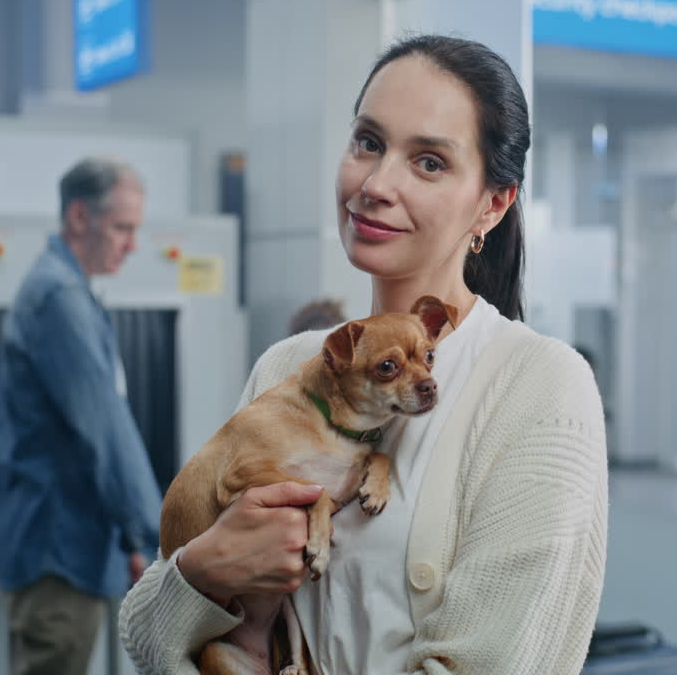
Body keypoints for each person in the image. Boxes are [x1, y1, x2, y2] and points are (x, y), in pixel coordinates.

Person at [119, 35, 608, 674]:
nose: (375, 184)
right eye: (368, 143)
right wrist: (205, 571)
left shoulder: (539, 387)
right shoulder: (289, 368)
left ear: (493, 203)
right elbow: (150, 641)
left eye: (429, 162)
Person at [0, 158, 163, 674]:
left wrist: (128, 539)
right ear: (80, 217)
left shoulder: (66, 290)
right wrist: (157, 540)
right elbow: (106, 431)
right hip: (55, 551)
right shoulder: (59, 298)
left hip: (66, 543)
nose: (132, 245)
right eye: (123, 228)